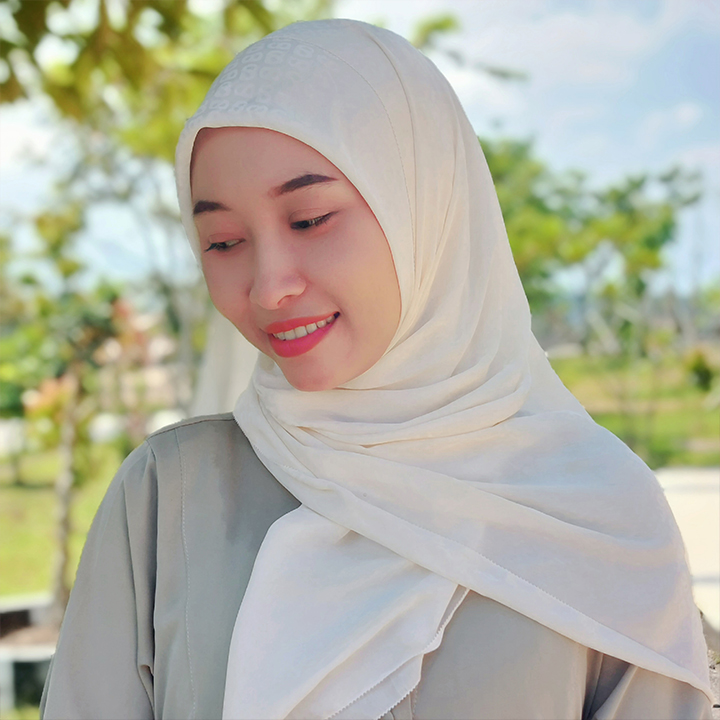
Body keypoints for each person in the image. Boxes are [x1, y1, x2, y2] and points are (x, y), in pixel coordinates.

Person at [40, 18, 713, 720]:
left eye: (309, 219)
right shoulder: (169, 495)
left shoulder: (603, 519)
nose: (269, 287)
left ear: (424, 208)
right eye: (224, 241)